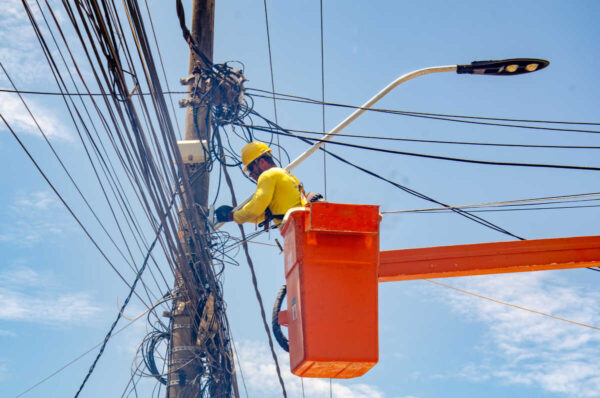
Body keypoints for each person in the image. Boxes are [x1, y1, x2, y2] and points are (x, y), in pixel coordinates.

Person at [216, 141, 321, 228]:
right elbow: (261, 214)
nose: (251, 175)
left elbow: (256, 206)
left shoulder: (268, 175)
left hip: (298, 228)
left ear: (261, 162)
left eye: (251, 169)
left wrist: (234, 216)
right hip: (301, 228)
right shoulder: (284, 175)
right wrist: (236, 213)